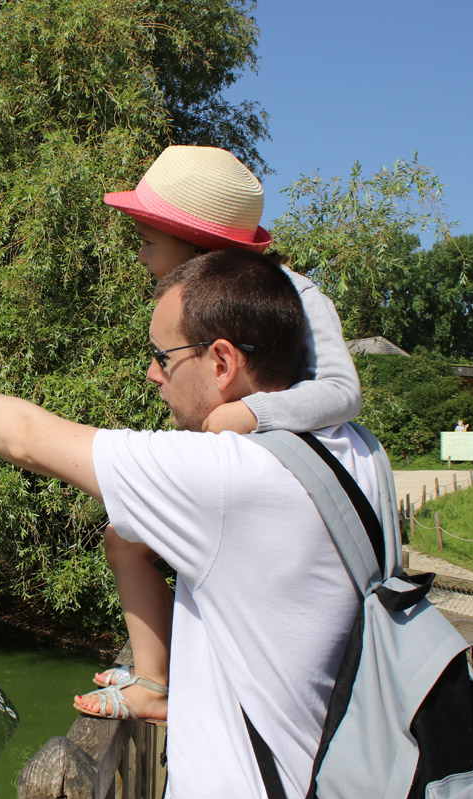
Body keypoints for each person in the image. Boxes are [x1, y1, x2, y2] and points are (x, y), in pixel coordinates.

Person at [0, 247, 381, 799]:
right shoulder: (358, 453)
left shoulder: (231, 474)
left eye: (163, 356)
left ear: (222, 361)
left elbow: (28, 438)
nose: (152, 374)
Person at [73, 145, 361, 722]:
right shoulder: (202, 298)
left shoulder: (294, 294)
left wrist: (253, 413)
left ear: (196, 245)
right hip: (237, 467)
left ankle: (162, 683)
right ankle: (158, 676)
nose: (139, 254)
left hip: (279, 478)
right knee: (124, 537)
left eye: (148, 241)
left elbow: (342, 391)